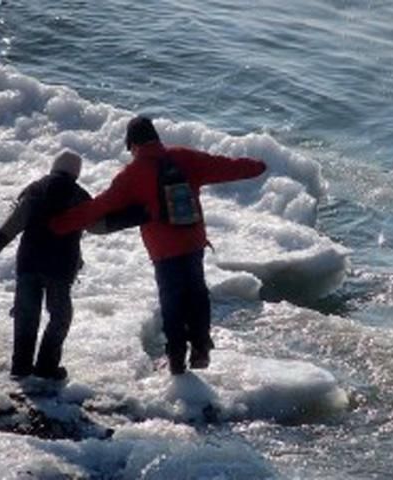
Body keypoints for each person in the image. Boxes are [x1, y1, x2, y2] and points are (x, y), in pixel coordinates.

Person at [50, 116, 266, 375]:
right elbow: (225, 166)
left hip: (164, 250)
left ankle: (176, 358)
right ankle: (201, 349)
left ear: (132, 144)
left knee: (172, 300)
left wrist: (58, 224)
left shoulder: (132, 174)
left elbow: (100, 206)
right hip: (193, 241)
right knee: (197, 292)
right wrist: (257, 166)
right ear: (156, 137)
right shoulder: (184, 157)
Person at [0, 150, 148, 380]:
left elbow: (10, 227)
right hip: (60, 268)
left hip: (29, 263)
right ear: (77, 173)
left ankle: (20, 367)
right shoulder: (79, 195)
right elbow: (98, 226)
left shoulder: (34, 190)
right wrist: (137, 214)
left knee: (26, 315)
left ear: (54, 166)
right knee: (60, 317)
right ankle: (47, 366)